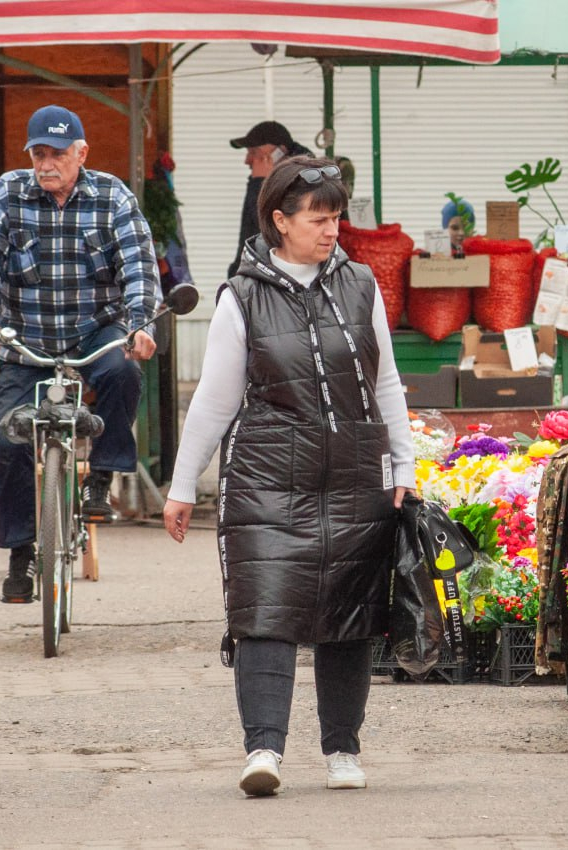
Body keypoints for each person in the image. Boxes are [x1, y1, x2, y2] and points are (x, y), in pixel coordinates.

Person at [162, 156, 415, 797]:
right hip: (269, 475)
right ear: (280, 220)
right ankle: (263, 751)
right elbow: (215, 401)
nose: (332, 229)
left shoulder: (360, 284)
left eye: (336, 217)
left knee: (350, 613)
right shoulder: (241, 296)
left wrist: (404, 464)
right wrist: (183, 484)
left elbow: (385, 381)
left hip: (356, 469)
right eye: (317, 218)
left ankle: (343, 752)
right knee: (264, 610)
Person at [0, 104, 161, 604]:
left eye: (56, 154)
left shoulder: (112, 196)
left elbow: (138, 266)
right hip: (26, 341)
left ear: (82, 153)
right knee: (7, 444)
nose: (46, 164)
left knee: (122, 371)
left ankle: (102, 476)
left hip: (95, 333)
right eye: (38, 153)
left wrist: (138, 324)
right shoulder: (5, 194)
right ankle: (20, 552)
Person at [227, 120, 312, 278]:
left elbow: (265, 229)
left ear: (279, 153)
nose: (247, 160)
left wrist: (260, 184)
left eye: (254, 153)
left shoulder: (302, 185)